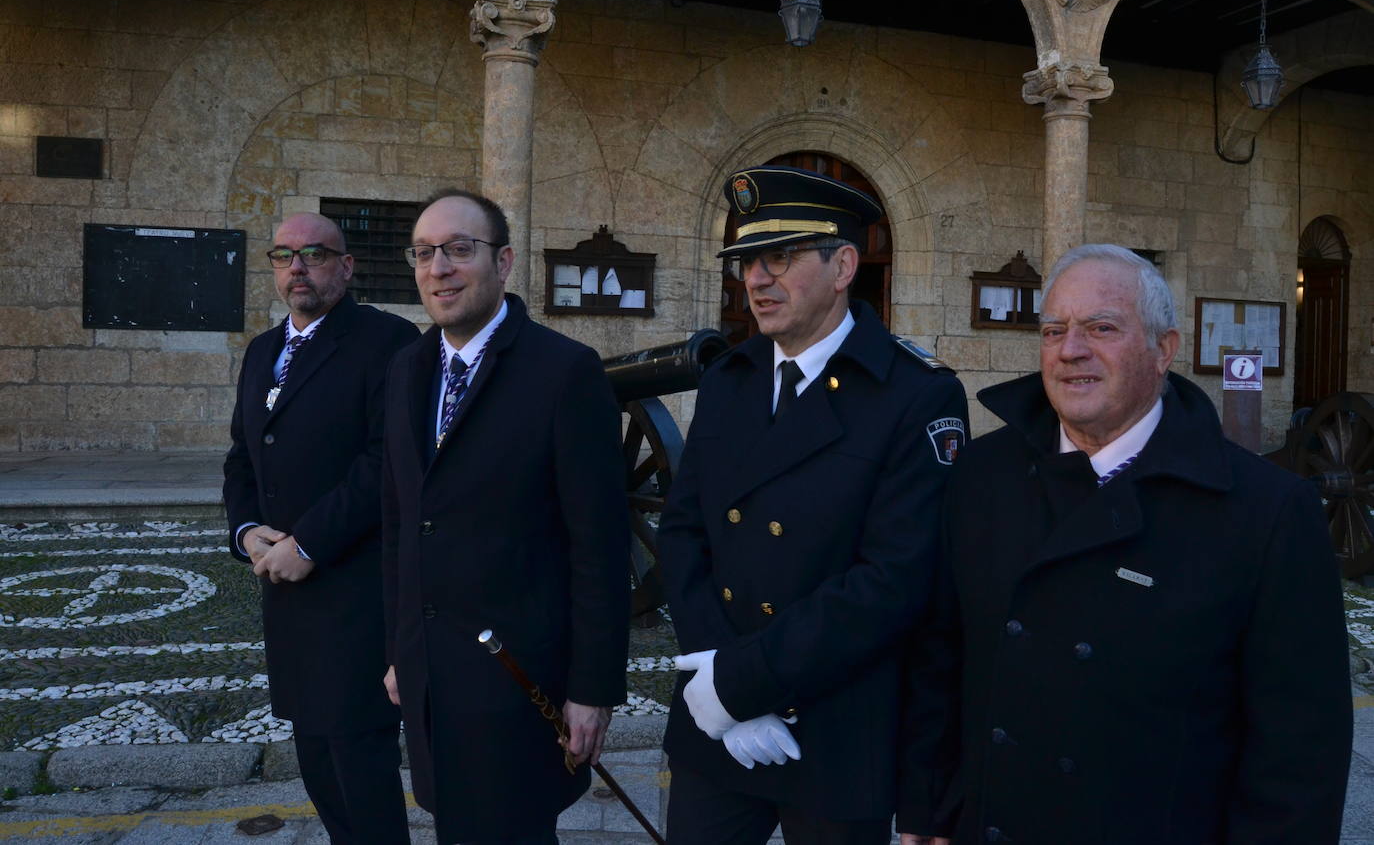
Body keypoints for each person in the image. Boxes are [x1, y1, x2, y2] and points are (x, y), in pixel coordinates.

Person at [899, 243, 1353, 844]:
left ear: (1164, 349)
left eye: (1101, 328)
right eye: (1053, 330)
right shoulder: (982, 475)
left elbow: (1300, 748)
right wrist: (929, 808)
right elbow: (940, 653)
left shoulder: (1265, 511)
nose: (1070, 351)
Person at [659, 165, 969, 845]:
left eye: (780, 258)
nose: (757, 280)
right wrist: (720, 689)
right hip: (718, 723)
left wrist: (745, 682)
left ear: (844, 265)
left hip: (835, 730)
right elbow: (682, 536)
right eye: (747, 261)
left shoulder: (914, 395)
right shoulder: (729, 382)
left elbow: (894, 581)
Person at [379, 189, 630, 845]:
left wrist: (592, 688)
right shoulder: (406, 370)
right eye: (425, 253)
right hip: (431, 677)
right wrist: (400, 649)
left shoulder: (564, 373)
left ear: (504, 261)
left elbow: (599, 547)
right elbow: (400, 523)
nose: (440, 268)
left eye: (461, 250)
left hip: (516, 684)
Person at [223, 212, 418, 844]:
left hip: (353, 588)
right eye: (283, 256)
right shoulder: (263, 350)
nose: (297, 268)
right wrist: (248, 530)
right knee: (315, 756)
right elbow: (240, 455)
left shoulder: (386, 341)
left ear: (347, 265)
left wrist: (308, 542)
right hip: (283, 590)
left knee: (359, 760)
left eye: (314, 254)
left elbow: (383, 460)